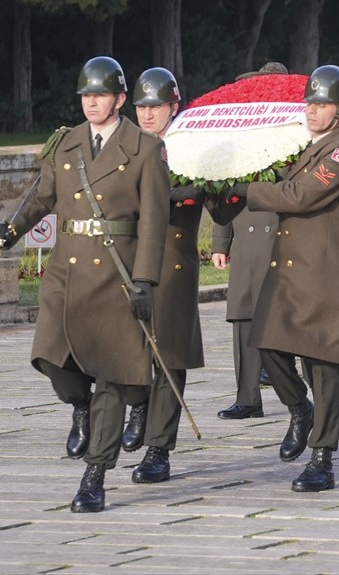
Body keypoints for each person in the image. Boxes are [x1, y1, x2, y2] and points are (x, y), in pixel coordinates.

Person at [0, 56, 169, 512]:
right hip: (66, 274)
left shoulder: (144, 149)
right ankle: (79, 406)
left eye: (101, 95)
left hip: (116, 275)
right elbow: (41, 195)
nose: (92, 103)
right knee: (50, 357)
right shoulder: (66, 144)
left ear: (120, 99)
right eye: (86, 96)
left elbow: (154, 223)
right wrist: (11, 229)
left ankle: (95, 475)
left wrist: (145, 280)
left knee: (110, 373)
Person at [230, 65, 339, 492]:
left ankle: (323, 457)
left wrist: (245, 191)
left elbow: (301, 195)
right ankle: (299, 409)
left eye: (322, 104)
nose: (312, 110)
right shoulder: (300, 147)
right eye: (309, 102)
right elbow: (281, 179)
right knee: (267, 345)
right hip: (289, 272)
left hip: (324, 274)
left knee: (324, 366)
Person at [126, 67, 206, 484]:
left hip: (172, 260)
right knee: (122, 345)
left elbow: (201, 195)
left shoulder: (189, 147)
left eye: (155, 106)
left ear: (174, 106)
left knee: (169, 356)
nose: (147, 113)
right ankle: (138, 404)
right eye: (141, 106)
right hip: (130, 259)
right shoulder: (129, 146)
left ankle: (158, 449)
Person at [211, 62, 289, 422]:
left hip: (279, 235)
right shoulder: (235, 140)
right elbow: (223, 194)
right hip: (244, 236)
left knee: (282, 317)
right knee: (243, 316)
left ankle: (294, 394)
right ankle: (247, 398)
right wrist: (219, 242)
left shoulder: (294, 135)